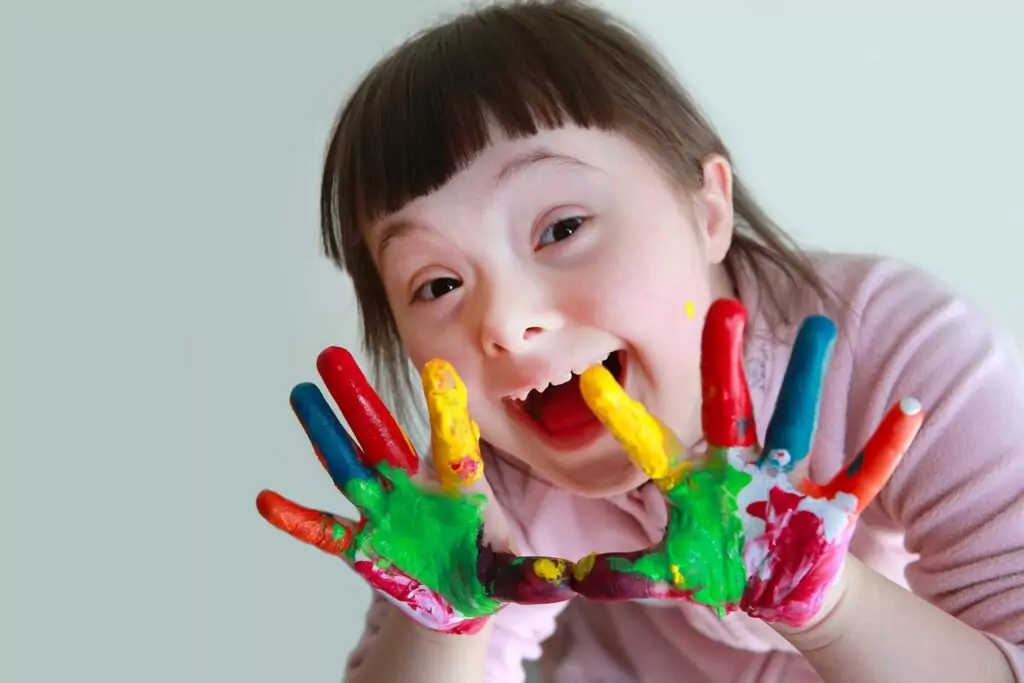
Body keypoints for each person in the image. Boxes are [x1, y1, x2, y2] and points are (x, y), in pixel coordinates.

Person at [261, 1, 1024, 681]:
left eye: (561, 229)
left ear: (708, 209)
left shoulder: (895, 350)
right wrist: (444, 621)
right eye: (437, 284)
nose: (501, 322)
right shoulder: (485, 485)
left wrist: (828, 604)